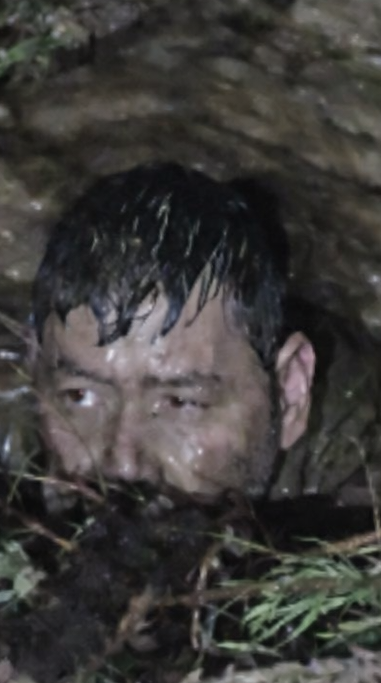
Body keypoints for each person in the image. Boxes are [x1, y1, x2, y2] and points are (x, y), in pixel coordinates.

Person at [30, 162, 318, 501]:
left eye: (181, 403)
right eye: (80, 396)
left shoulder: (377, 496)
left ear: (289, 395)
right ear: (33, 369)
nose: (124, 466)